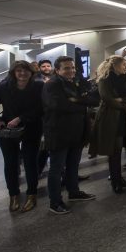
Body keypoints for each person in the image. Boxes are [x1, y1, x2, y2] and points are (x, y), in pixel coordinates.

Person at [0, 60, 44, 212]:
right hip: (7, 129)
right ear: (13, 72)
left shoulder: (39, 86)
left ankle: (32, 195)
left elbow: (42, 107)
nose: (22, 73)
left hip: (31, 127)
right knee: (10, 163)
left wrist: (21, 118)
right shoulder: (3, 86)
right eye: (18, 70)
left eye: (26, 70)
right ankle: (14, 195)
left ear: (31, 72)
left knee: (31, 162)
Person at [42, 56, 96, 214]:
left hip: (76, 131)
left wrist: (76, 100)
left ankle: (74, 192)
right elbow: (59, 105)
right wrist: (81, 103)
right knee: (56, 168)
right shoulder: (52, 84)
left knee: (73, 165)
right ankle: (55, 201)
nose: (71, 70)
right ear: (57, 70)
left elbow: (93, 100)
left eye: (72, 67)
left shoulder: (74, 82)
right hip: (59, 132)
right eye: (66, 68)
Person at [90, 56, 126, 194]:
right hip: (110, 119)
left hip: (124, 119)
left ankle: (118, 177)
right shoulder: (104, 79)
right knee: (114, 151)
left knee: (120, 148)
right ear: (115, 65)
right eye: (124, 64)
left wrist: (122, 99)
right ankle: (115, 181)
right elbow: (108, 99)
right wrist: (125, 104)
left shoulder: (125, 78)